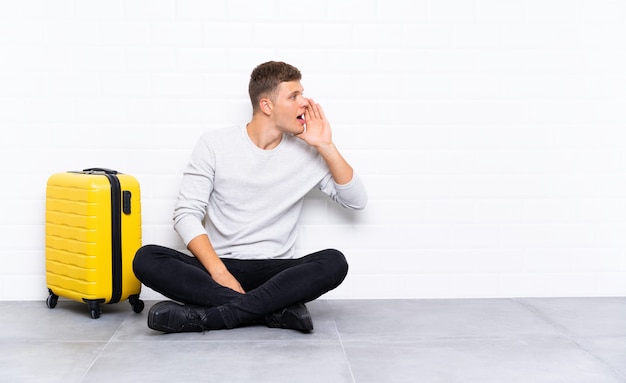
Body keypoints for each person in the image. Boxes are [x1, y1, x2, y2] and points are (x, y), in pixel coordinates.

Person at [133, 61, 367, 333]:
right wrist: (220, 273)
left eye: (302, 93)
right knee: (146, 258)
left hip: (276, 272)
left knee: (334, 262)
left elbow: (356, 200)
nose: (305, 102)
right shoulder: (214, 144)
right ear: (267, 105)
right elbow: (186, 215)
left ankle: (210, 318)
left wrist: (326, 145)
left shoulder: (308, 153)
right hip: (218, 267)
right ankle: (273, 311)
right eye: (294, 96)